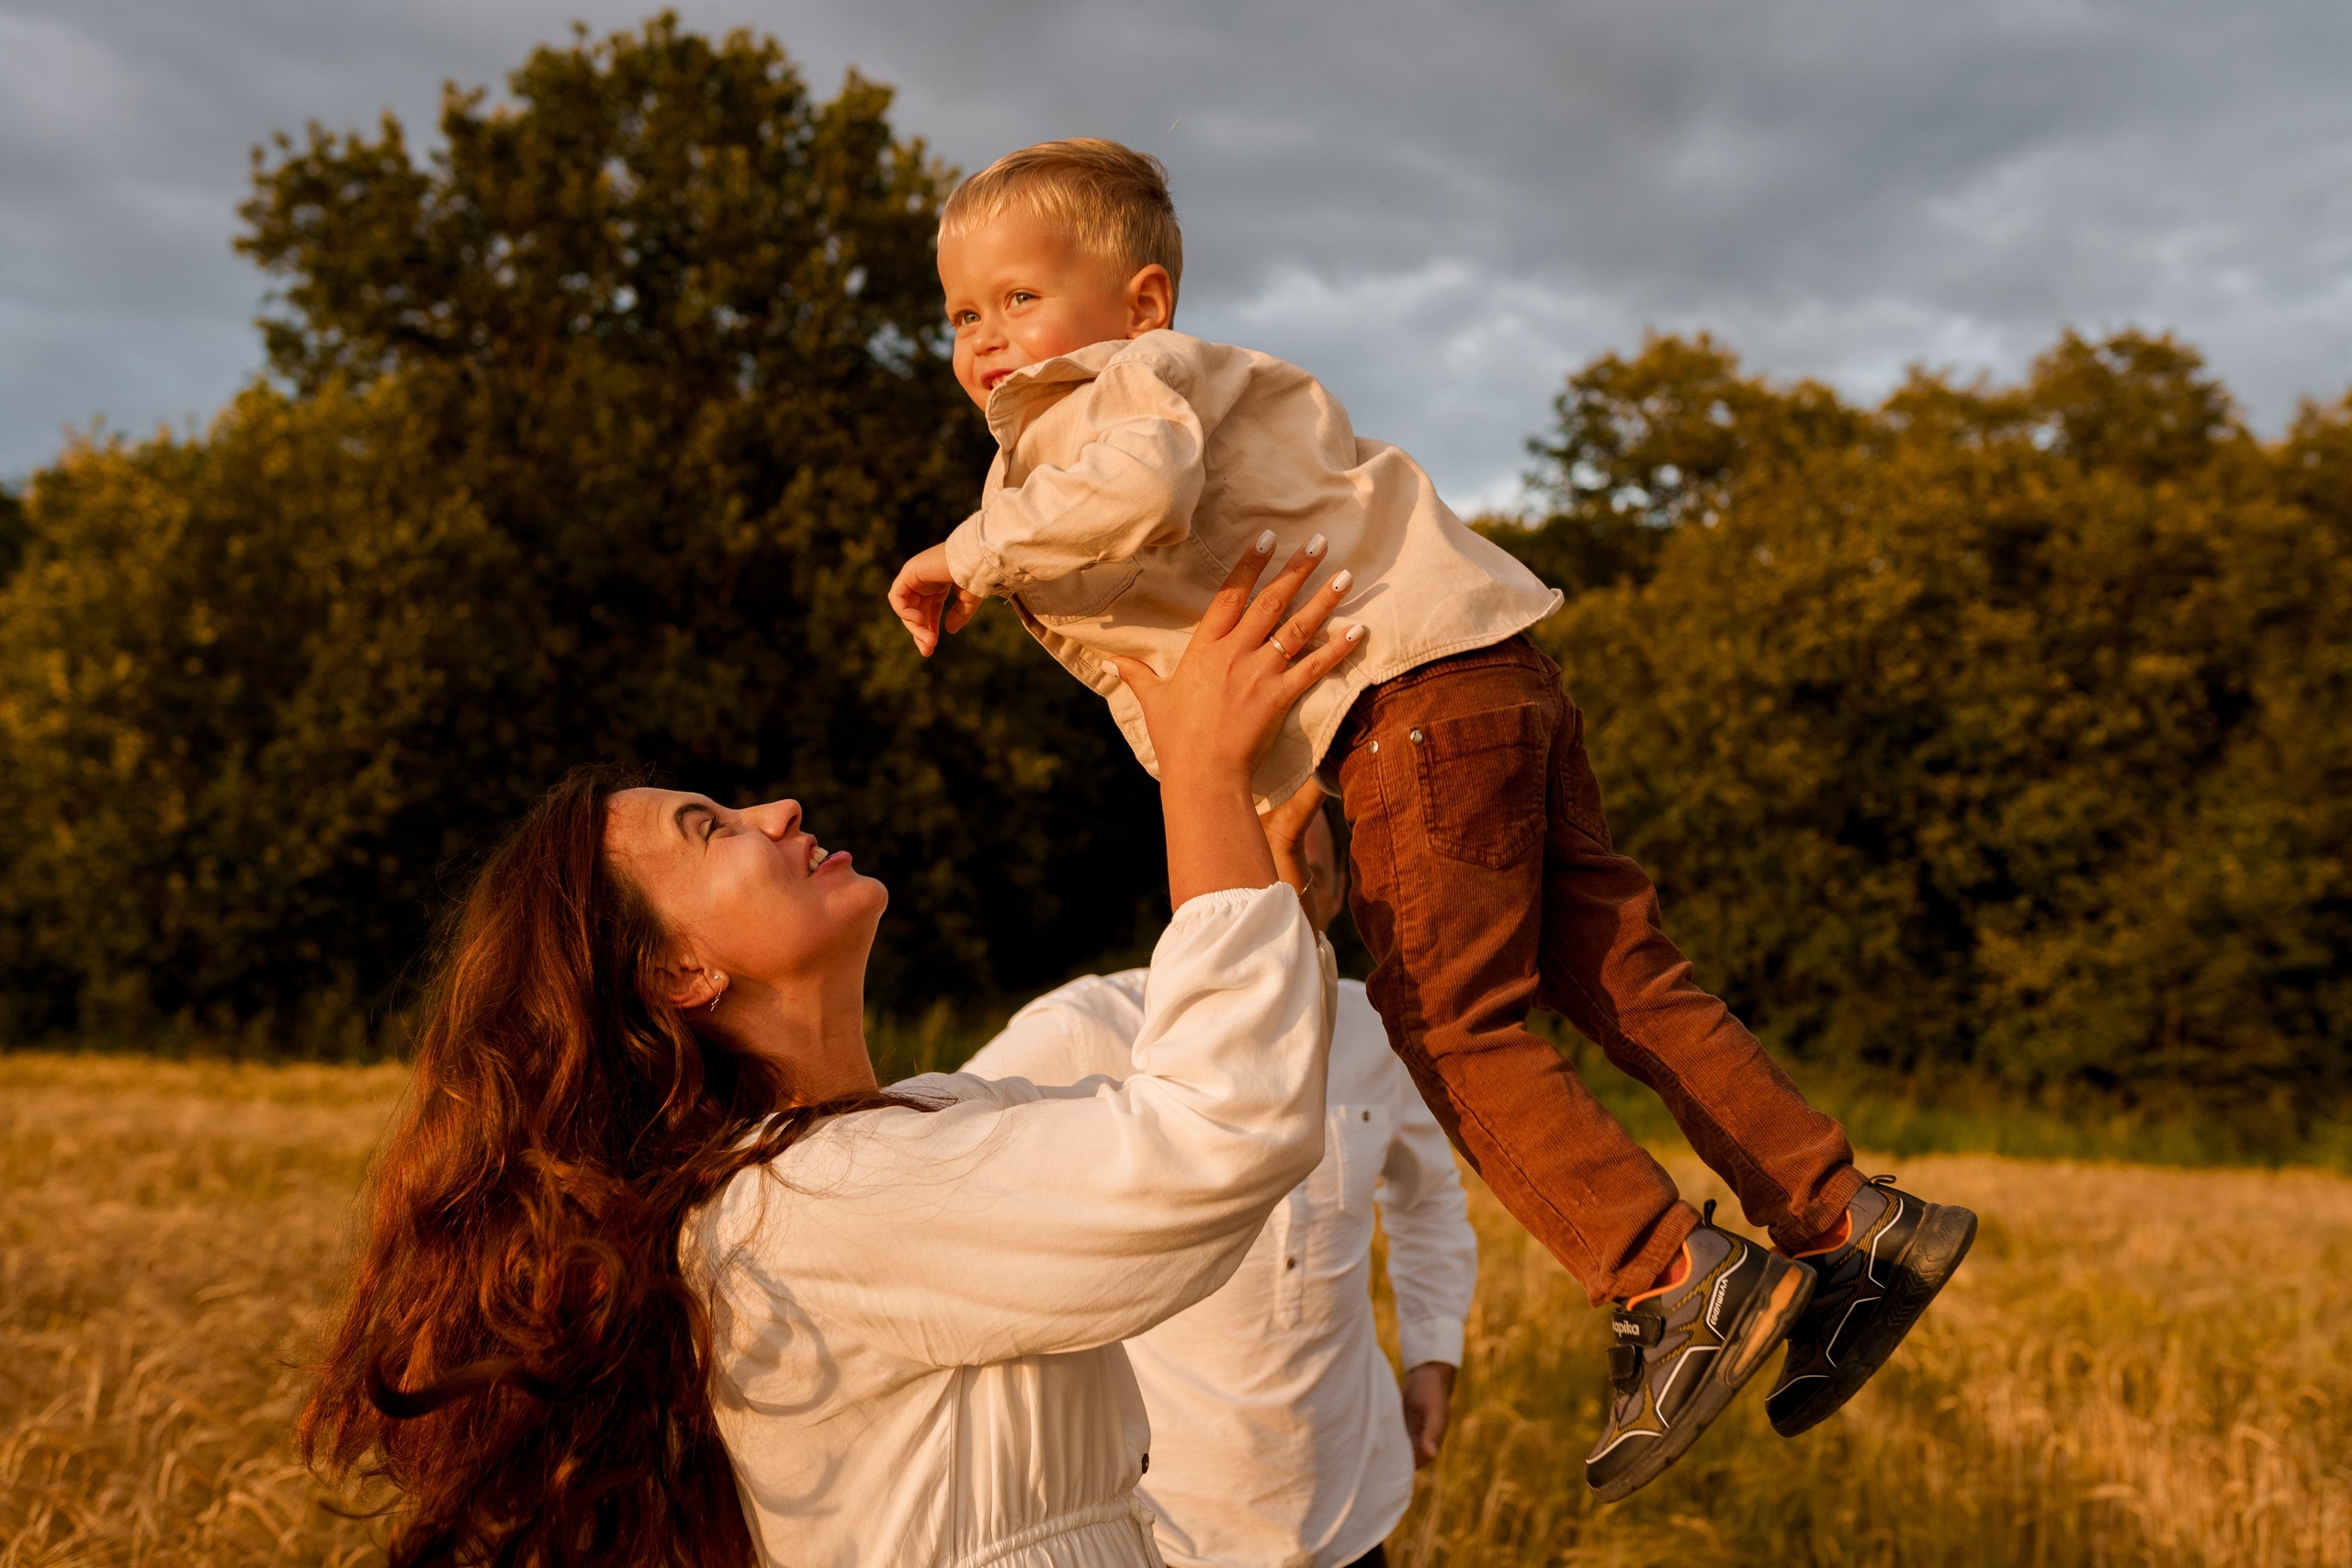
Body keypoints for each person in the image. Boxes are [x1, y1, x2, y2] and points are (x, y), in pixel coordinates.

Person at [886, 138, 1978, 1501]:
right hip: (1490, 674)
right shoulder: (1144, 404)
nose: (988, 339)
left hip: (1402, 709)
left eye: (1016, 300)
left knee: (1453, 1021)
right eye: (960, 316)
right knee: (1626, 974)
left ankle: (1673, 1276)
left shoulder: (1110, 394)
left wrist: (968, 551)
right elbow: (1181, 665)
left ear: (1142, 299)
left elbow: (1141, 494)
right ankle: (1851, 1222)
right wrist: (1276, 810)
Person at [300, 546, 1370, 1568]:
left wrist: (1258, 871)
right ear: (677, 976)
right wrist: (1201, 778)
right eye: (709, 829)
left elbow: (1203, 1108)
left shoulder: (901, 1133)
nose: (777, 811)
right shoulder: (812, 1198)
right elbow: (1217, 1137)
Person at [965, 792, 1476, 1568]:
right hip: (1161, 1523)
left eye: (1304, 875)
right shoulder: (1088, 1026)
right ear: (1198, 883)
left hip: (1351, 1502)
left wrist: (1433, 1353)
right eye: (1249, 866)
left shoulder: (1377, 1035)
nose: (1277, 900)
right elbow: (925, 1153)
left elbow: (1429, 1196)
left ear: (1337, 895)